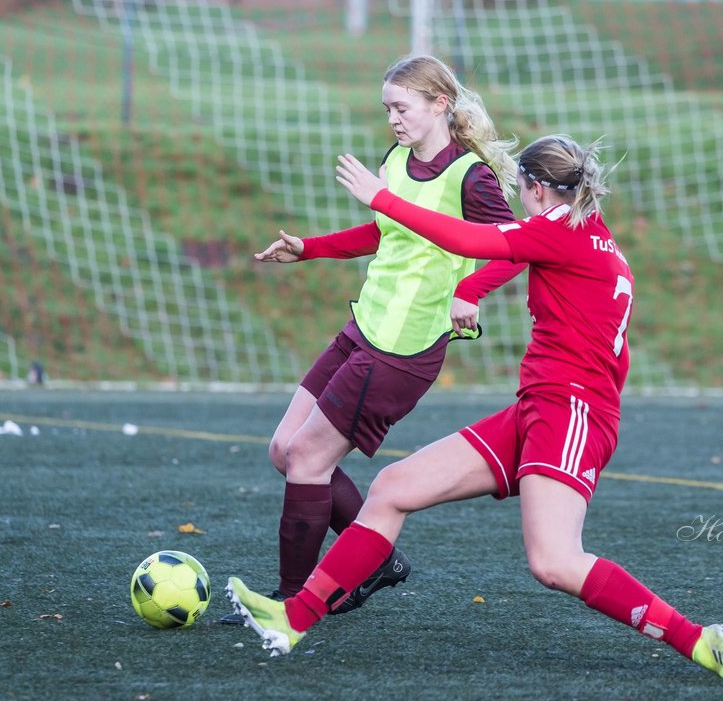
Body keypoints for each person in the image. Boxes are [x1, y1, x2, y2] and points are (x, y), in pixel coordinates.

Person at [227, 135, 723, 680]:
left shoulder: (562, 232)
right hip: (539, 408)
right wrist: (469, 284)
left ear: (536, 188)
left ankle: (699, 641)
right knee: (392, 489)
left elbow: (463, 236)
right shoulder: (590, 236)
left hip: (571, 414)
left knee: (554, 561)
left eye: (520, 189)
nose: (519, 199)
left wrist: (382, 198)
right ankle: (293, 618)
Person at [220, 55, 524, 625]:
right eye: (387, 108)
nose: (393, 119)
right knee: (284, 452)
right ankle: (377, 559)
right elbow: (383, 231)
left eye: (401, 107)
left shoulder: (471, 177)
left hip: (402, 351)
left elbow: (513, 246)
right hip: (364, 328)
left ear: (440, 105)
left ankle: (289, 604)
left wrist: (472, 290)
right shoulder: (398, 160)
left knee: (308, 458)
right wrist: (308, 248)